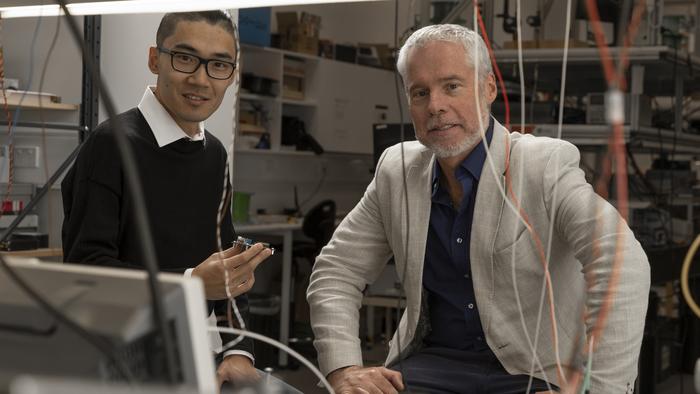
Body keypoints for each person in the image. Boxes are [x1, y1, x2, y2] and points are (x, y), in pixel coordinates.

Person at [307, 24, 650, 393]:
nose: (435, 105)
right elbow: (336, 271)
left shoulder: (542, 165)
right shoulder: (397, 171)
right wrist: (343, 368)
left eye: (451, 86)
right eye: (420, 92)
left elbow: (620, 264)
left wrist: (599, 388)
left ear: (488, 88)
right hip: (430, 369)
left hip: (534, 373)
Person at [61, 11, 272, 388]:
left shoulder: (214, 154)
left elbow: (228, 271)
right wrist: (190, 284)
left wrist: (238, 350)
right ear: (155, 59)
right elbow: (86, 273)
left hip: (185, 354)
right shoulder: (111, 145)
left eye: (219, 65)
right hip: (115, 363)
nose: (201, 79)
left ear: (233, 75)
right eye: (186, 58)